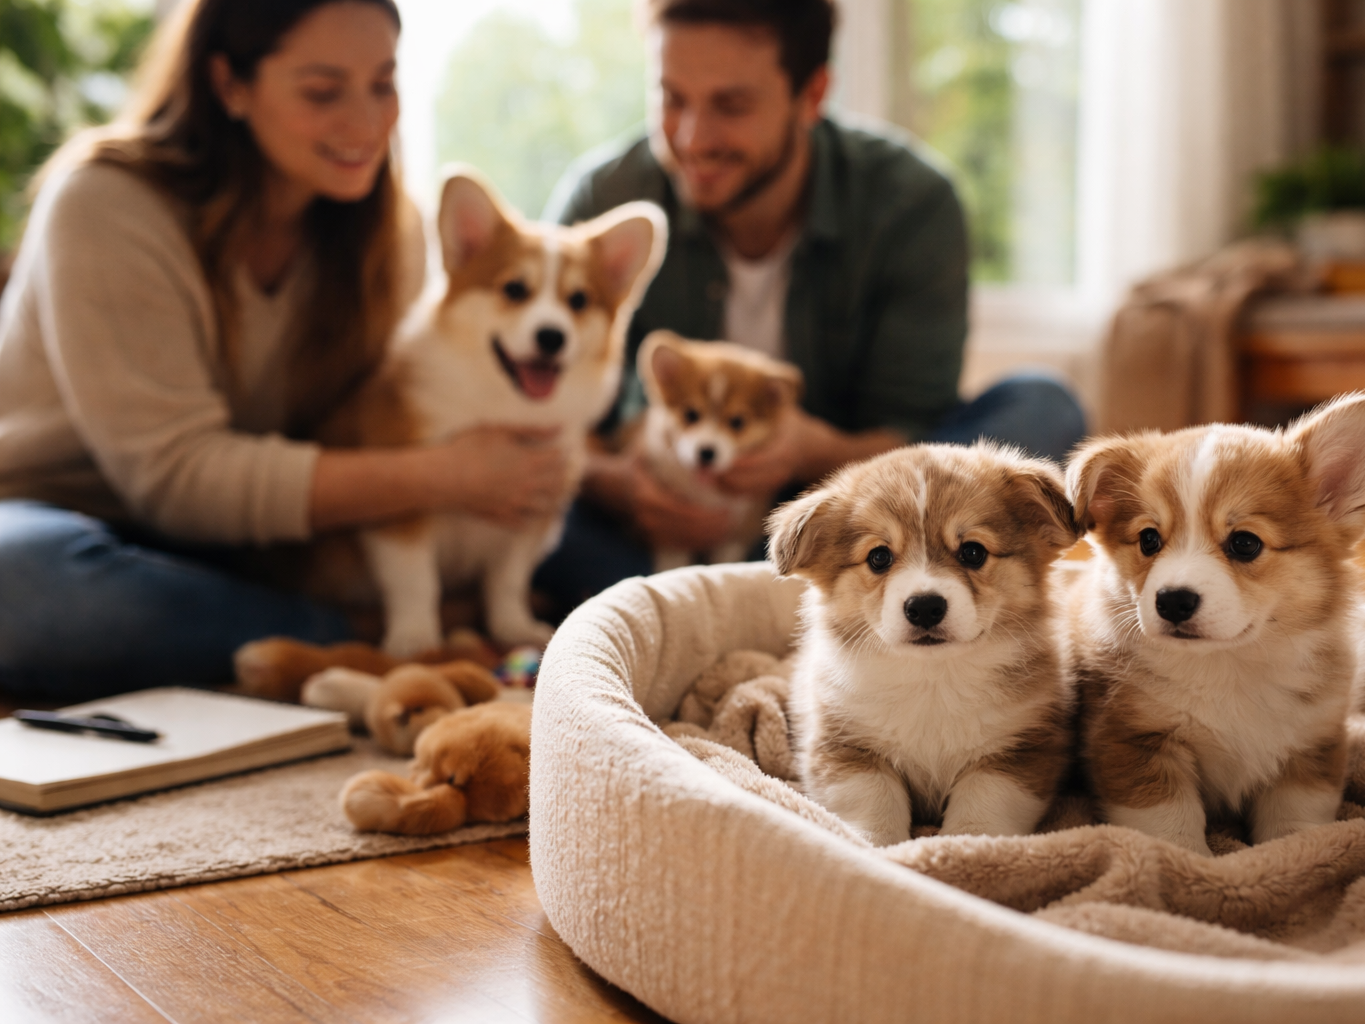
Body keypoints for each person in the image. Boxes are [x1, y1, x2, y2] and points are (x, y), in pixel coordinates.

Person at [0, 0, 567, 699]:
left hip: (269, 539)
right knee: (23, 590)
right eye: (322, 91)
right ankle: (352, 633)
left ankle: (330, 632)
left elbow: (407, 414)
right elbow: (177, 479)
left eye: (383, 84)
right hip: (74, 518)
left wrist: (584, 472)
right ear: (229, 84)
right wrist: (445, 477)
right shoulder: (104, 203)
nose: (366, 124)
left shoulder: (390, 231)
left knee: (588, 538)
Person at [535, 0, 1087, 610]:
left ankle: (710, 597)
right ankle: (759, 597)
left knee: (1043, 406)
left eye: (731, 105)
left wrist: (809, 449)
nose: (691, 137)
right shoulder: (608, 200)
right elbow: (541, 415)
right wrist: (618, 485)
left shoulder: (911, 204)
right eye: (671, 98)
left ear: (812, 93)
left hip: (857, 520)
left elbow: (914, 437)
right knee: (540, 519)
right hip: (654, 523)